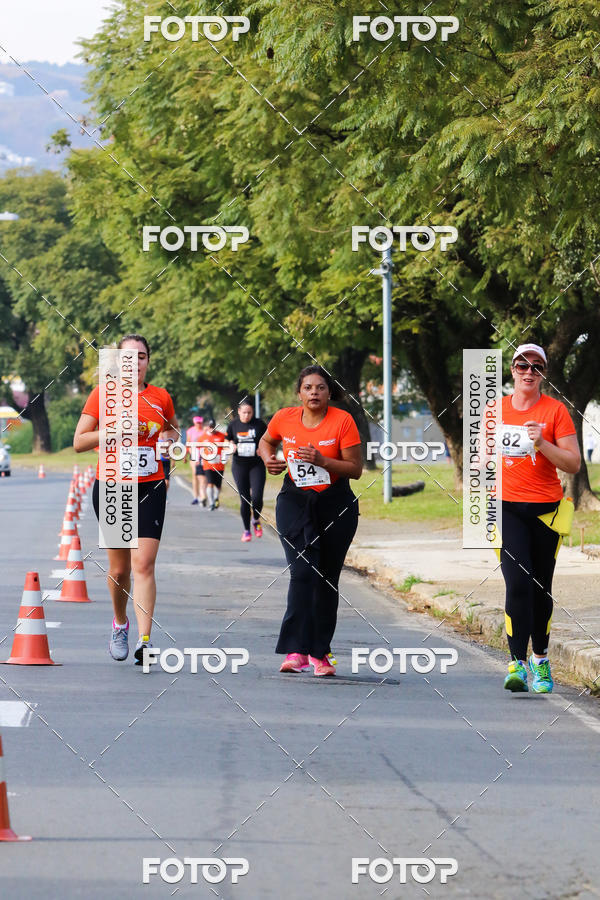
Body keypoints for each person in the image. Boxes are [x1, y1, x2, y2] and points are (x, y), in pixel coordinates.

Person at [73, 334, 179, 664]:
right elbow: (79, 442)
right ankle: (120, 623)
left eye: (142, 356)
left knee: (143, 565)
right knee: (120, 571)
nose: (136, 363)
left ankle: (145, 641)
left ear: (149, 361)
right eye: (128, 357)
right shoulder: (103, 395)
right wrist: (115, 430)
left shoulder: (161, 396)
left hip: (150, 487)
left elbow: (173, 431)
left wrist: (169, 441)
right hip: (114, 487)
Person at [258, 365, 363, 677]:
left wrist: (323, 461)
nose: (314, 392)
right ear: (299, 393)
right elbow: (267, 441)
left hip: (335, 503)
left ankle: (320, 653)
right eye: (308, 387)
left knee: (327, 579)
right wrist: (269, 459)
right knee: (302, 572)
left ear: (329, 392)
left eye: (320, 387)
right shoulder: (284, 418)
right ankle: (295, 651)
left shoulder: (342, 420)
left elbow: (355, 468)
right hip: (295, 501)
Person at [500, 343, 580, 693]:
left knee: (539, 586)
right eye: (522, 365)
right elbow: (480, 459)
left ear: (543, 374)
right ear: (513, 370)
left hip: (546, 510)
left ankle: (541, 660)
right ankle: (517, 663)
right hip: (506, 507)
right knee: (517, 582)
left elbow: (574, 464)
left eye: (536, 367)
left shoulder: (555, 411)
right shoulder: (494, 410)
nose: (529, 371)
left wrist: (543, 443)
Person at [226, 398, 267, 542]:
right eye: (244, 412)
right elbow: (228, 440)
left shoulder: (259, 424)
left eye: (249, 412)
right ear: (239, 412)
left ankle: (255, 519)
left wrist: (262, 450)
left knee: (257, 497)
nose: (247, 415)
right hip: (239, 465)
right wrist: (231, 445)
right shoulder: (233, 425)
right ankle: (246, 530)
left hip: (256, 465)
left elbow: (268, 440)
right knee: (245, 499)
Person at [203, 419, 228, 511]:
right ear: (207, 427)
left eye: (213, 427)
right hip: (208, 465)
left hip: (219, 464)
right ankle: (211, 503)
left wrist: (226, 456)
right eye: (210, 427)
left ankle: (216, 498)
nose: (211, 429)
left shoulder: (222, 436)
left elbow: (227, 445)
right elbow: (198, 448)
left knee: (218, 485)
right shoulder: (203, 437)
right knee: (210, 483)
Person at [187, 415, 208, 506]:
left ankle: (202, 494)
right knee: (195, 474)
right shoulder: (190, 431)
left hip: (203, 455)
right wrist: (187, 454)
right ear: (194, 422)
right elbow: (188, 443)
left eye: (200, 422)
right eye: (197, 423)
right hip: (194, 454)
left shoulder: (204, 431)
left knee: (203, 476)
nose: (199, 424)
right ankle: (196, 496)